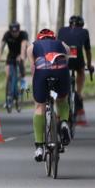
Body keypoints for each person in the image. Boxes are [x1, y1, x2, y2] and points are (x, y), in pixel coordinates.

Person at [30, 28, 72, 162]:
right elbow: (66, 62)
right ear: (53, 38)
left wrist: (35, 86)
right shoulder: (63, 44)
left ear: (39, 39)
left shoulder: (32, 46)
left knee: (39, 107)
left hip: (42, 73)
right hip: (61, 72)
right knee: (62, 100)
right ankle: (64, 123)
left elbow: (33, 68)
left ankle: (39, 147)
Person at [58, 15, 94, 124]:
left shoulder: (61, 30)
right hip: (75, 53)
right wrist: (89, 64)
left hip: (63, 53)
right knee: (81, 71)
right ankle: (78, 93)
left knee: (62, 72)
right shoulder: (84, 32)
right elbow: (87, 50)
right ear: (82, 25)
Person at [0, 22, 30, 97]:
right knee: (8, 73)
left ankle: (23, 87)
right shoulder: (7, 35)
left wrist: (22, 57)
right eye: (13, 32)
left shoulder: (23, 34)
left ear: (19, 30)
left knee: (22, 72)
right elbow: (1, 47)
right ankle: (10, 93)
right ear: (10, 31)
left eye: (16, 32)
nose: (15, 34)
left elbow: (24, 46)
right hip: (11, 55)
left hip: (21, 53)